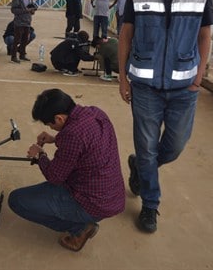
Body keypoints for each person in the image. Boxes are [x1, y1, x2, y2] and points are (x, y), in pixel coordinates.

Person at [118, 0, 213, 234]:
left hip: (184, 88)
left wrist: (199, 75)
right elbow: (125, 35)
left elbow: (205, 35)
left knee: (173, 148)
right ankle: (150, 204)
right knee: (147, 148)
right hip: (145, 87)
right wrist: (123, 76)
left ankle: (140, 167)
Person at [8, 88, 125, 252]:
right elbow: (84, 142)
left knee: (16, 201)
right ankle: (82, 222)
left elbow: (55, 176)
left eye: (50, 124)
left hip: (91, 202)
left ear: (59, 118)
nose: (50, 127)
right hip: (111, 196)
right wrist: (55, 138)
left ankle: (79, 229)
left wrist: (40, 154)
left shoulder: (72, 135)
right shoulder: (95, 113)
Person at [10, 0, 37, 64]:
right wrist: (26, 10)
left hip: (27, 22)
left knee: (25, 39)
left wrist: (32, 11)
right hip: (19, 23)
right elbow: (13, 10)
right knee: (17, 40)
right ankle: (13, 56)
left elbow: (31, 9)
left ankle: (22, 55)